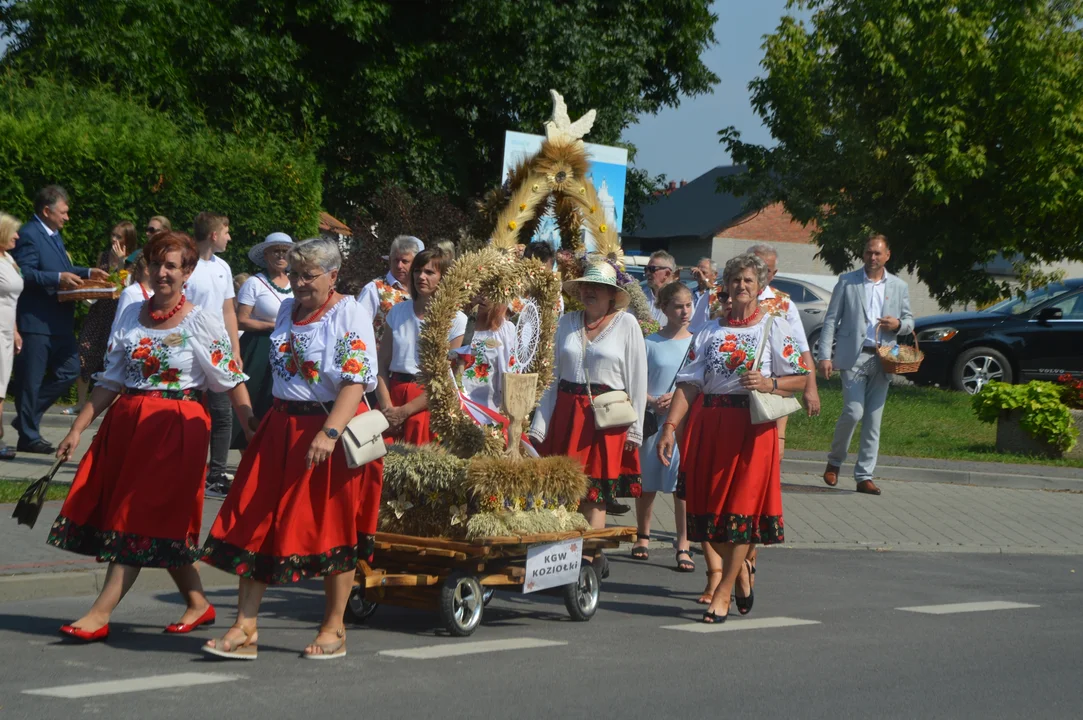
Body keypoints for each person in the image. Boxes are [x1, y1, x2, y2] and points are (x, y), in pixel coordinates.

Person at [46, 231, 255, 642]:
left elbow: (230, 379)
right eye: (157, 264)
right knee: (157, 522)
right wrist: (77, 428)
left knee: (136, 516)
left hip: (175, 427)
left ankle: (100, 612)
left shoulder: (200, 319)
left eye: (172, 266)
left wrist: (253, 430)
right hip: (128, 423)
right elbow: (110, 379)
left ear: (188, 272)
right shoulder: (130, 314)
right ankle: (198, 603)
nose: (162, 272)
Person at [201, 238, 382, 661]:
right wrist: (253, 419)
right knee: (253, 519)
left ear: (333, 276)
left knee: (331, 526)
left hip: (325, 433)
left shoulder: (348, 311)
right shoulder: (285, 310)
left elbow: (355, 380)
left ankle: (334, 627)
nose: (299, 283)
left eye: (308, 276)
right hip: (279, 428)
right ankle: (245, 627)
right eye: (296, 274)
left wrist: (330, 433)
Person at [657, 253, 811, 623]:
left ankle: (723, 591)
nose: (741, 286)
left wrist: (770, 382)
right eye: (735, 280)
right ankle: (740, 571)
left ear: (760, 287)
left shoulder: (774, 328)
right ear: (725, 286)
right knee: (709, 513)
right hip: (710, 425)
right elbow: (689, 383)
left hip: (752, 428)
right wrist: (670, 427)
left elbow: (802, 378)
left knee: (740, 510)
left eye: (748, 281)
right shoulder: (709, 330)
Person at [529, 261, 647, 576]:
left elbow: (637, 378)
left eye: (598, 287)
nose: (590, 291)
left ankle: (587, 564)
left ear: (612, 294)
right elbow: (551, 376)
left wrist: (635, 431)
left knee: (594, 494)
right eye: (585, 286)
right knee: (563, 492)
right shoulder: (566, 322)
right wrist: (539, 422)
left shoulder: (627, 324)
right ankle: (561, 560)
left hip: (605, 419)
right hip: (567, 414)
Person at [10, 185, 109, 454]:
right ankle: (28, 436)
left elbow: (61, 270)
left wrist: (88, 271)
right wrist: (58, 279)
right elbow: (25, 274)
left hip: (59, 322)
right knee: (29, 381)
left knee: (70, 369)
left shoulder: (53, 235)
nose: (67, 218)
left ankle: (25, 419)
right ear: (46, 211)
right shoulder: (30, 234)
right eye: (63, 212)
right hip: (36, 321)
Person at [818, 234, 913, 496]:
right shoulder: (848, 282)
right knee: (853, 411)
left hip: (884, 357)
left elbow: (910, 320)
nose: (873, 257)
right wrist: (825, 356)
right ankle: (835, 461)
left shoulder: (898, 286)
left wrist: (899, 325)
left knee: (873, 419)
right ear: (863, 253)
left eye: (878, 254)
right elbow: (830, 320)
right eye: (869, 252)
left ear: (887, 255)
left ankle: (864, 476)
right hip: (854, 356)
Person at [633, 281, 694, 571]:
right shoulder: (649, 343)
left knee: (681, 485)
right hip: (652, 422)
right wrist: (651, 401)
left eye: (689, 305)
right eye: (678, 306)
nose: (685, 311)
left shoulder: (696, 343)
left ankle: (683, 541)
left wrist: (680, 401)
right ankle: (642, 535)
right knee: (647, 482)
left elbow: (699, 385)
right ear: (664, 308)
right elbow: (635, 383)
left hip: (682, 425)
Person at [376, 246, 466, 445]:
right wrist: (387, 407)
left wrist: (405, 411)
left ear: (443, 277)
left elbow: (446, 376)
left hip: (426, 401)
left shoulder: (456, 319)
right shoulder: (397, 312)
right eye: (417, 270)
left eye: (429, 272)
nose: (421, 277)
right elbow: (381, 363)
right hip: (393, 396)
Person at [185, 212, 243, 497]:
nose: (230, 237)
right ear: (213, 235)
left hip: (218, 349)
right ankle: (188, 468)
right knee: (191, 409)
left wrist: (235, 348)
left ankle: (217, 473)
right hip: (188, 347)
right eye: (227, 231)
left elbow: (228, 310)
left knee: (223, 414)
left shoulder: (223, 267)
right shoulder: (187, 265)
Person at [68, 221, 140, 415]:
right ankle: (81, 402)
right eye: (113, 235)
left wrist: (122, 262)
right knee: (84, 351)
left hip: (119, 314)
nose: (114, 240)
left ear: (128, 239)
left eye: (119, 237)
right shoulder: (104, 256)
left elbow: (127, 286)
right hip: (99, 311)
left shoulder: (134, 260)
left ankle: (113, 404)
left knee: (114, 359)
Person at [230, 233, 294, 449]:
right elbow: (241, 320)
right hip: (260, 347)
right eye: (275, 251)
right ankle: (247, 447)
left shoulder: (296, 281)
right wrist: (273, 326)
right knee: (256, 397)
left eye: (284, 251)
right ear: (265, 255)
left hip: (288, 347)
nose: (280, 255)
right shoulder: (254, 283)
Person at [455, 295, 517, 413]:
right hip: (451, 409)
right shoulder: (457, 323)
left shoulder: (504, 330)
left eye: (488, 292)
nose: (483, 297)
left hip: (485, 414)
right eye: (479, 290)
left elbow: (510, 377)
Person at [357, 235, 422, 343]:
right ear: (389, 261)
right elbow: (358, 326)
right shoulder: (374, 289)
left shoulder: (420, 289)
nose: (399, 266)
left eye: (405, 261)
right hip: (381, 357)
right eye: (395, 260)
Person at [0, 213, 25, 460]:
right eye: (13, 232)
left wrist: (15, 330)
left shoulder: (7, 258)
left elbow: (11, 299)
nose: (17, 236)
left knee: (2, 386)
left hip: (7, 330)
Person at [114, 250, 153, 320]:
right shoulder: (130, 293)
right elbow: (119, 323)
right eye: (156, 265)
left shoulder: (156, 293)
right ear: (147, 270)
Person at [641, 250, 678, 325]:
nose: (647, 273)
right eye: (646, 269)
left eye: (652, 269)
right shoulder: (641, 296)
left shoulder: (679, 297)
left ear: (667, 273)